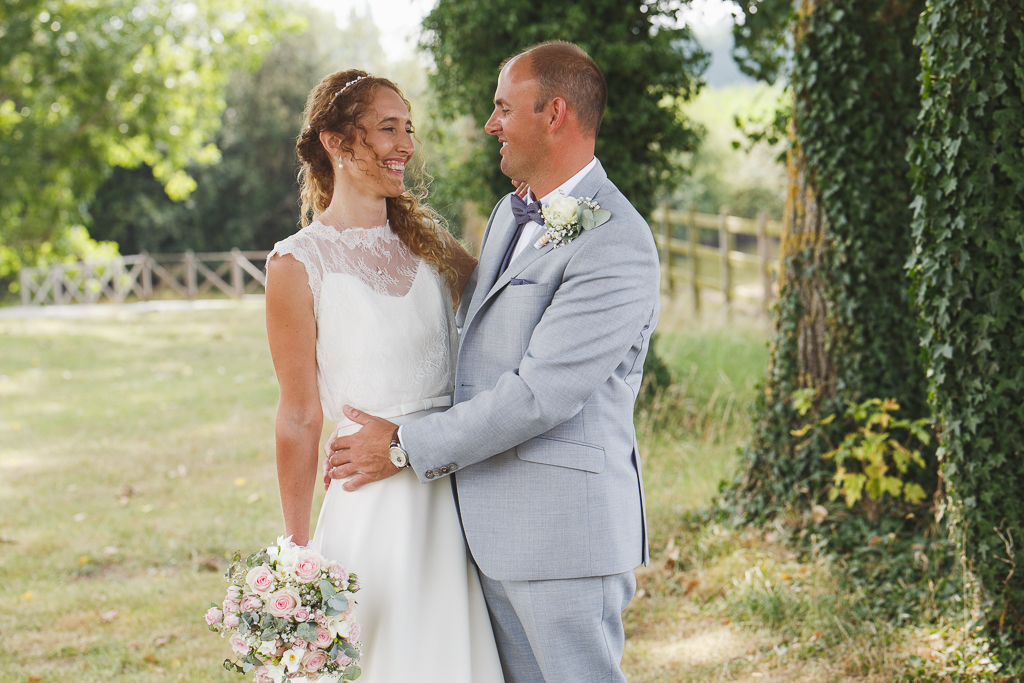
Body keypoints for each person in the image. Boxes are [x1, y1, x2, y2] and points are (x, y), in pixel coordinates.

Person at [325, 42, 661, 682]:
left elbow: (539, 395)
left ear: (554, 113)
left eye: (504, 108)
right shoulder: (513, 211)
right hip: (483, 530)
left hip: (563, 536)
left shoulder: (617, 241)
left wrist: (401, 445)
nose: (491, 124)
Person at [264, 69, 505, 683]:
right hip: (371, 506)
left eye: (409, 129)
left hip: (452, 489)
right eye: (387, 130)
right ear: (336, 144)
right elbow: (299, 413)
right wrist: (297, 553)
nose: (405, 145)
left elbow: (502, 324)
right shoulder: (297, 263)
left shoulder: (432, 246)